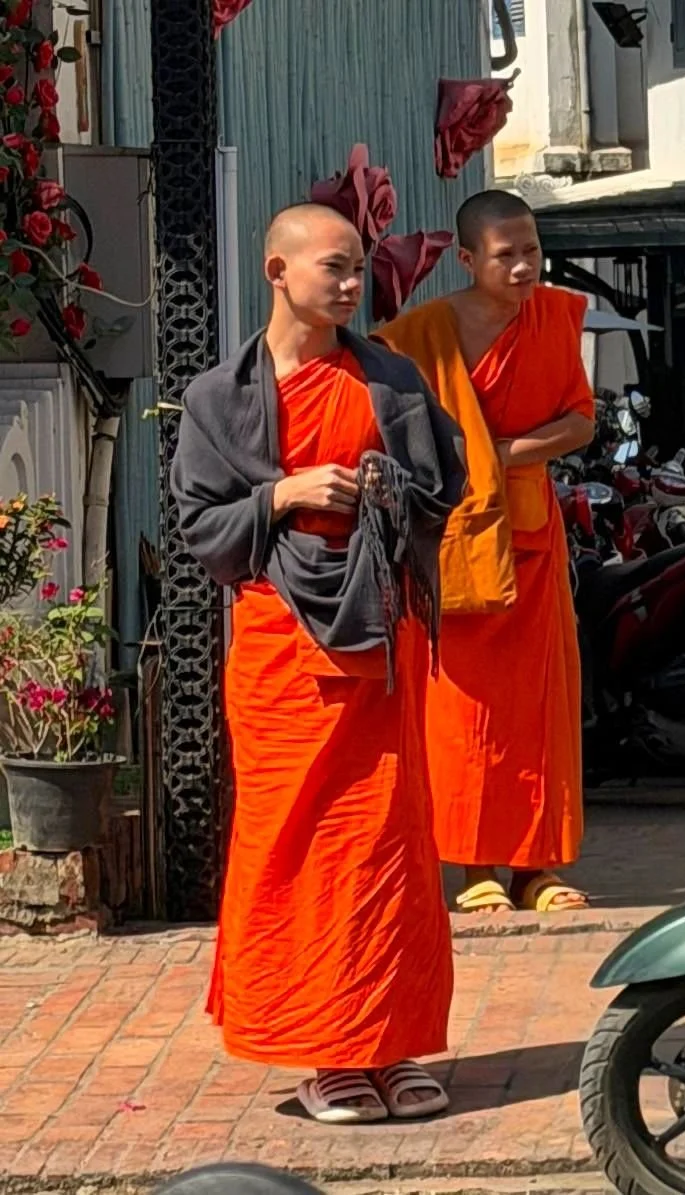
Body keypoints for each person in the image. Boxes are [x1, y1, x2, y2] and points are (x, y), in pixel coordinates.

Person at [170, 204, 466, 1124]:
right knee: (294, 842)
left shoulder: (391, 380)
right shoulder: (219, 399)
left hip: (378, 639)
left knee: (386, 844)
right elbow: (203, 529)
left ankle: (393, 1042)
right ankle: (324, 1052)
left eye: (359, 268)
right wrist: (282, 493)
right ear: (277, 271)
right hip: (281, 647)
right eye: (334, 267)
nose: (351, 284)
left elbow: (441, 487)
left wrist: (384, 486)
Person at [377, 190, 595, 916]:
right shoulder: (423, 333)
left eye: (532, 249)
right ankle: (475, 867)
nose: (526, 265)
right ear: (469, 260)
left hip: (530, 535)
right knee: (464, 711)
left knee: (539, 708)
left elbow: (580, 422)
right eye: (508, 254)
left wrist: (503, 452)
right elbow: (385, 413)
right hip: (457, 543)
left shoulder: (556, 319)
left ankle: (538, 866)